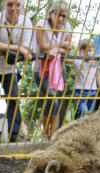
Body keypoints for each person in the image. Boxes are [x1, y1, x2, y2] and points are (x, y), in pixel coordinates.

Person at [0, 0, 32, 143]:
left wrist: (15, 49)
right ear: (4, 5)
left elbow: (26, 48)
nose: (14, 8)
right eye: (10, 4)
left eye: (17, 5)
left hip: (9, 69)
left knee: (13, 99)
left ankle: (14, 136)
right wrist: (17, 48)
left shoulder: (26, 22)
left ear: (22, 7)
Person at [33, 0, 72, 141]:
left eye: (64, 15)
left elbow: (69, 48)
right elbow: (43, 45)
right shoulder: (41, 25)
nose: (61, 19)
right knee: (51, 98)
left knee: (55, 101)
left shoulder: (68, 27)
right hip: (41, 69)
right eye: (58, 14)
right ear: (51, 14)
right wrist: (61, 45)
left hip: (59, 69)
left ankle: (53, 134)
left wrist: (56, 48)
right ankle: (45, 133)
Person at [67, 39, 100, 119]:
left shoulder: (95, 62)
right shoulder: (77, 61)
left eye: (90, 50)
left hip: (93, 91)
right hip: (80, 91)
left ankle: (87, 129)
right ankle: (80, 126)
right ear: (79, 52)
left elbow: (98, 76)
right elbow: (65, 59)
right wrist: (69, 49)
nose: (88, 53)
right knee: (82, 111)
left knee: (91, 114)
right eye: (84, 51)